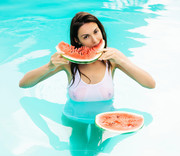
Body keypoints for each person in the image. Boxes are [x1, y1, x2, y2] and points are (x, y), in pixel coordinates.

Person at [19, 12, 156, 100]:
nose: (95, 40)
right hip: (73, 119)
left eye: (96, 32)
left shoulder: (113, 58)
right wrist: (49, 66)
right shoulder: (68, 62)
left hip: (105, 118)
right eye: (86, 37)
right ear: (77, 40)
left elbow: (150, 84)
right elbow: (23, 84)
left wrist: (122, 61)